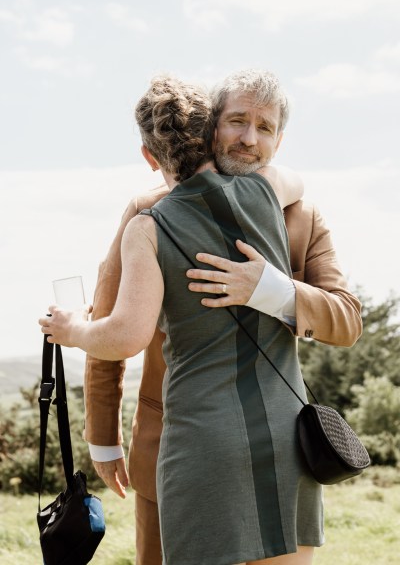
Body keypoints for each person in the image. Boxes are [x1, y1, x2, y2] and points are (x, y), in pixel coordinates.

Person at [40, 74, 324, 565]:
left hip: (203, 441)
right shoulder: (268, 192)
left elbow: (125, 335)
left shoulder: (148, 226)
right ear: (214, 134)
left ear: (150, 157)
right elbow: (291, 176)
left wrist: (73, 330)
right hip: (285, 437)